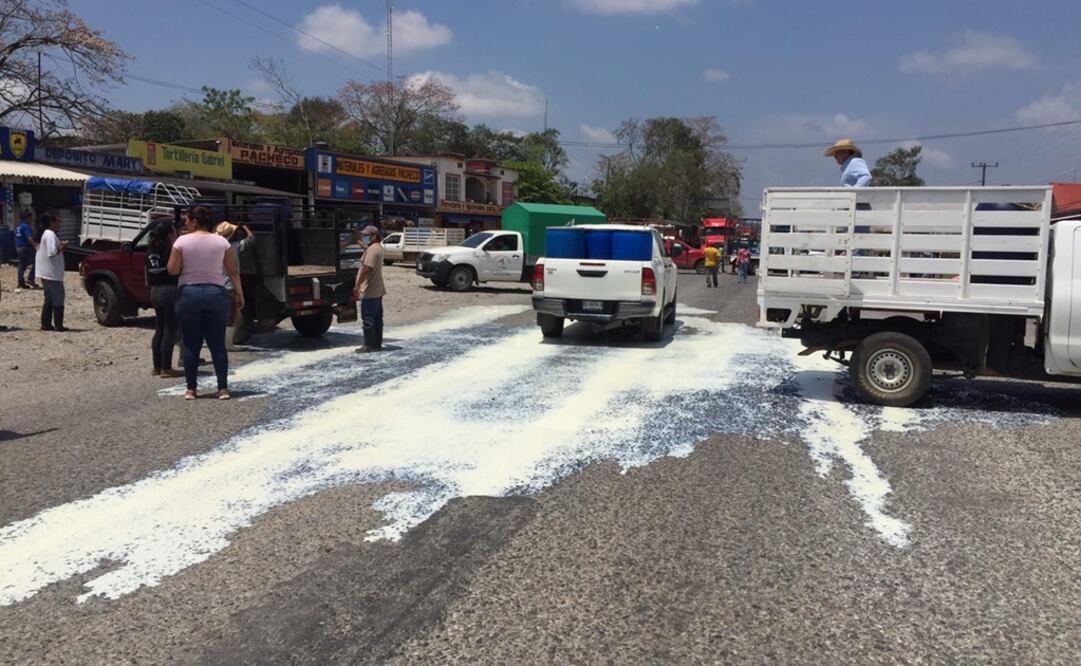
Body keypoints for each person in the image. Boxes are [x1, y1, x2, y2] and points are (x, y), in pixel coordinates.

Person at [168, 206, 242, 401]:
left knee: (192, 343)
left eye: (186, 220)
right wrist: (240, 294)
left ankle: (191, 389)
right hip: (215, 292)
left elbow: (172, 270)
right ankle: (223, 389)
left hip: (189, 292)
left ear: (194, 221)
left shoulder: (181, 241)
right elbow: (232, 271)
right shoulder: (221, 242)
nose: (185, 223)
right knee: (217, 344)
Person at [145, 218, 182, 378]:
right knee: (170, 329)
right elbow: (176, 268)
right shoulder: (171, 249)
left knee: (159, 328)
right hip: (169, 290)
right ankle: (166, 367)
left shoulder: (150, 249)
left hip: (155, 291)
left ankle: (157, 366)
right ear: (169, 234)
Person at [215, 221, 256, 349]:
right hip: (228, 286)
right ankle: (227, 344)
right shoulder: (235, 246)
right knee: (230, 317)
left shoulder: (213, 246)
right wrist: (244, 226)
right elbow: (251, 239)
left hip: (215, 284)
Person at [352, 225, 385, 353]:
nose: (365, 237)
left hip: (369, 289)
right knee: (377, 318)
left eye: (367, 235)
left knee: (368, 318)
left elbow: (367, 268)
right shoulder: (377, 248)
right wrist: (357, 241)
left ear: (374, 236)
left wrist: (357, 285)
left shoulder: (372, 250)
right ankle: (377, 343)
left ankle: (368, 345)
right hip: (377, 289)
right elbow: (367, 249)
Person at [35, 214, 68, 331]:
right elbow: (52, 252)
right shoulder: (50, 234)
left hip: (44, 272)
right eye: (58, 220)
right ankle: (59, 325)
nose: (59, 223)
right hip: (52, 273)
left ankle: (46, 324)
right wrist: (62, 247)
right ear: (52, 222)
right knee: (58, 298)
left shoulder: (44, 234)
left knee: (48, 299)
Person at [15, 210, 38, 289]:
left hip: (19, 248)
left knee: (22, 265)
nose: (31, 220)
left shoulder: (19, 226)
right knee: (36, 261)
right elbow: (29, 237)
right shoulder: (25, 226)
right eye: (30, 218)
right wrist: (35, 245)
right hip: (26, 248)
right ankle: (31, 278)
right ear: (27, 218)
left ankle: (20, 282)